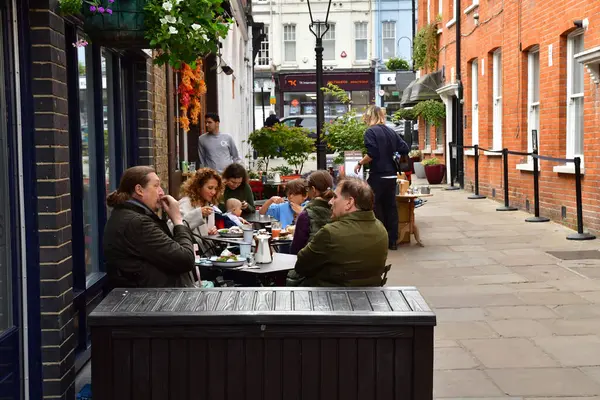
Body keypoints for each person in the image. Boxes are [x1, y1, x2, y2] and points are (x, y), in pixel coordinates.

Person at [103, 166, 196, 288]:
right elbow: (185, 260)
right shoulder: (137, 223)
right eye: (156, 186)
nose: (162, 192)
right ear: (139, 190)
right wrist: (177, 220)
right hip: (149, 300)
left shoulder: (130, 215)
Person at [293, 177, 389, 287]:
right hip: (371, 297)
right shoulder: (381, 229)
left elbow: (301, 266)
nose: (330, 202)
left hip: (332, 298)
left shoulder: (330, 233)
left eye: (335, 197)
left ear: (349, 202)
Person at [354, 105, 409, 251]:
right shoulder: (391, 131)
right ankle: (393, 241)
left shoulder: (370, 132)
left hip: (378, 175)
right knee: (391, 207)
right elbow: (405, 148)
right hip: (391, 175)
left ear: (369, 116)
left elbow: (372, 153)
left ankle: (378, 240)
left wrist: (360, 162)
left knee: (375, 207)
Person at [177, 168, 235, 238]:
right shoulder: (185, 203)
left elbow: (206, 233)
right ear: (198, 187)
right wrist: (198, 214)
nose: (214, 192)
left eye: (216, 189)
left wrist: (213, 231)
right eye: (210, 188)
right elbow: (175, 227)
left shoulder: (208, 204)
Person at [290, 170, 334, 255]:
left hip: (313, 264)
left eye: (307, 188)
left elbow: (296, 249)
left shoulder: (306, 215)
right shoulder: (340, 210)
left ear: (313, 190)